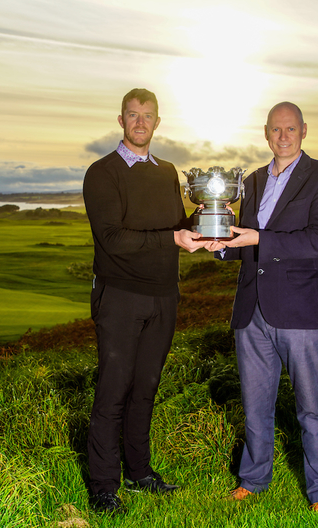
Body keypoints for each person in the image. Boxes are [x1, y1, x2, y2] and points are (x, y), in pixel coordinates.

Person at [82, 88, 210, 514]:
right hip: (120, 297)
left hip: (163, 297)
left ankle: (139, 474)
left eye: (148, 115)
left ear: (158, 122)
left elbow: (176, 226)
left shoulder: (168, 171)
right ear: (121, 120)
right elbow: (112, 239)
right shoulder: (102, 172)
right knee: (113, 391)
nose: (140, 122)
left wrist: (211, 216)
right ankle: (104, 486)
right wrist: (173, 238)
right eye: (133, 115)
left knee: (146, 390)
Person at [213, 101, 318, 513]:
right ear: (265, 133)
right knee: (255, 405)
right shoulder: (249, 182)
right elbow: (245, 245)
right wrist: (219, 246)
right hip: (251, 310)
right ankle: (253, 479)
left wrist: (256, 240)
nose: (282, 136)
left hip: (301, 311)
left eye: (290, 129)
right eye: (275, 130)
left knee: (311, 407)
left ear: (304, 130)